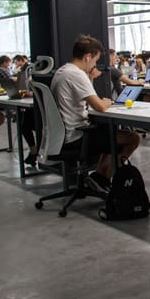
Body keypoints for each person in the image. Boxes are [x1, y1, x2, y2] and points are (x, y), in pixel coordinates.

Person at [51, 35, 141, 194]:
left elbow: (84, 96)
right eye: (94, 60)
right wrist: (107, 101)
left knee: (110, 134)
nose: (94, 65)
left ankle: (98, 178)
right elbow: (99, 106)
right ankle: (101, 178)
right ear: (87, 57)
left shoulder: (63, 71)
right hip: (77, 135)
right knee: (132, 138)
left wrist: (90, 77)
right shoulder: (76, 74)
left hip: (64, 134)